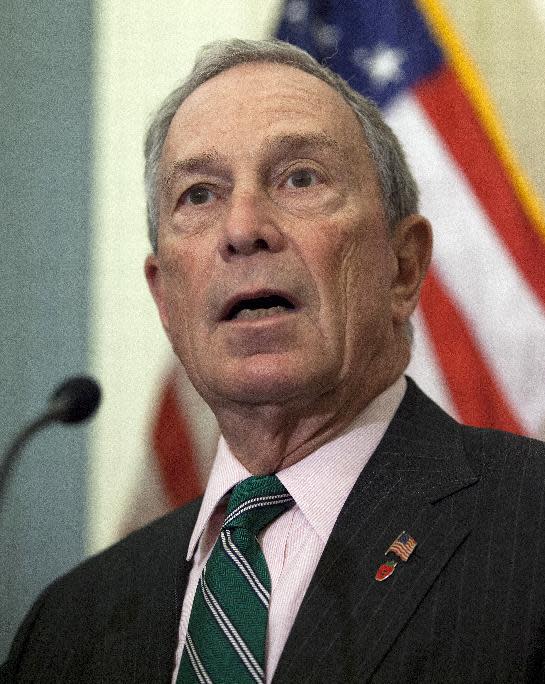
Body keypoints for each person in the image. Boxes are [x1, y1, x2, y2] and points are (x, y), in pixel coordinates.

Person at [2, 38, 545, 684]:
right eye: (199, 194)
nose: (242, 227)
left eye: (300, 178)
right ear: (165, 299)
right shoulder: (66, 627)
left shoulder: (529, 532)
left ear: (401, 269)